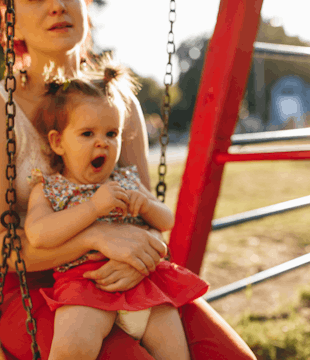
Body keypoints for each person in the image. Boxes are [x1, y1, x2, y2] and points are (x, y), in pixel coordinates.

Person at [0, 0, 257, 359]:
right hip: (28, 282)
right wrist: (98, 237)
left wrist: (139, 255)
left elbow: (146, 216)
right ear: (13, 25)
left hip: (129, 270)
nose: (56, 5)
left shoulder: (118, 102)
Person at [25, 61, 209, 360]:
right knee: (72, 349)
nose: (103, 143)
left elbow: (167, 219)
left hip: (146, 281)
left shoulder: (127, 180)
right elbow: (38, 234)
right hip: (86, 283)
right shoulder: (49, 189)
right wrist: (93, 208)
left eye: (112, 134)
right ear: (58, 142)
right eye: (87, 134)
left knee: (177, 353)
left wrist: (147, 205)